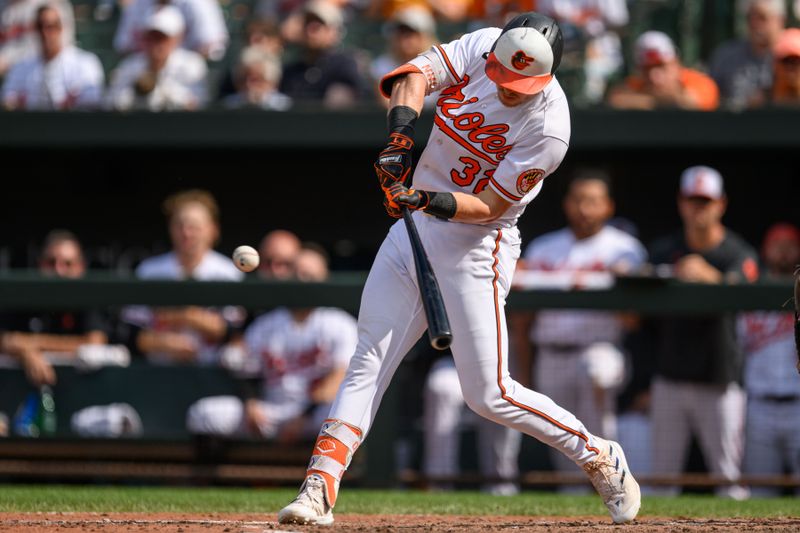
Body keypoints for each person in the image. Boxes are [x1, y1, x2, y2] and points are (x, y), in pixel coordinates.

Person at [278, 12, 640, 526]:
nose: (509, 90)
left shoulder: (550, 127)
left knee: (488, 394)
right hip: (413, 232)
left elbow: (490, 205)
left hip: (478, 243)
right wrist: (400, 139)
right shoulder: (482, 46)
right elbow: (413, 78)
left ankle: (598, 454)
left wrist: (423, 196)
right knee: (369, 357)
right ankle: (319, 486)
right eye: (503, 76)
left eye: (521, 84)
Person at [514, 170, 647, 482]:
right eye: (578, 200)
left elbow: (635, 320)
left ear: (608, 206)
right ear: (566, 204)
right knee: (561, 441)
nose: (584, 208)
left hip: (600, 349)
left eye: (593, 201)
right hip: (551, 352)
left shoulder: (625, 248)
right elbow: (523, 319)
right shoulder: (543, 247)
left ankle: (614, 483)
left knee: (595, 372)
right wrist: (526, 371)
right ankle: (572, 502)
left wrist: (621, 284)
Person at [648, 166, 758, 499]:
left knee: (727, 478)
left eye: (706, 200)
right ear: (681, 203)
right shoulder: (665, 250)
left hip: (719, 378)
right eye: (693, 200)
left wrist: (705, 274)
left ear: (720, 204)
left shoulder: (737, 253)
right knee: (661, 482)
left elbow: (746, 294)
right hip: (671, 375)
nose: (699, 207)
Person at [186, 246, 358, 442]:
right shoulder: (266, 323)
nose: (301, 281)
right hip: (270, 414)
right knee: (202, 414)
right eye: (296, 273)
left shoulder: (340, 323)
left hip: (315, 416)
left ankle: (333, 471)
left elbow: (338, 379)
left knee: (344, 418)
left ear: (324, 279)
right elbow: (243, 369)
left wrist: (303, 417)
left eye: (308, 275)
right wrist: (250, 402)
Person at [121, 189, 244, 365]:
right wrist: (165, 343)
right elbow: (131, 333)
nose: (187, 233)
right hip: (159, 371)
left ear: (212, 230)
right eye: (180, 225)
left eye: (194, 226)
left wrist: (186, 316)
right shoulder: (150, 271)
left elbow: (234, 333)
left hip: (213, 372)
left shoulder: (228, 273)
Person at [737, 223, 800, 496]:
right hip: (759, 405)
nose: (784, 251)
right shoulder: (750, 292)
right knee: (760, 492)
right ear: (765, 250)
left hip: (798, 403)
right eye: (777, 244)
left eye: (791, 244)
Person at [0, 230, 110, 386]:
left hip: (85, 388)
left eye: (68, 264)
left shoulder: (88, 297)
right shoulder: (24, 295)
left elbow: (94, 342)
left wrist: (30, 344)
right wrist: (24, 351)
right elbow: (5, 338)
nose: (59, 270)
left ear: (81, 267)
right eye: (51, 263)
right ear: (40, 264)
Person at [1, 3, 103, 110]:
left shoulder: (85, 62)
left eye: (51, 26)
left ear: (61, 28)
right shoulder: (22, 66)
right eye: (40, 27)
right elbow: (7, 100)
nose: (45, 33)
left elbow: (92, 100)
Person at [106, 5, 209, 111]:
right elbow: (111, 103)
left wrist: (163, 91)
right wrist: (135, 93)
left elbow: (197, 103)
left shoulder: (192, 65)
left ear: (176, 38)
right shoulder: (129, 66)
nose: (156, 44)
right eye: (151, 37)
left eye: (162, 38)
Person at [536, 0, 629, 103]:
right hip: (559, 47)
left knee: (591, 86)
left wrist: (590, 39)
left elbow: (619, 23)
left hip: (600, 49)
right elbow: (542, 22)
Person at [278, 0, 366, 109]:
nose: (310, 30)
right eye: (307, 24)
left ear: (334, 32)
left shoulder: (344, 65)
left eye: (317, 26)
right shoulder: (291, 71)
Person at [607, 31, 719, 111]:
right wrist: (662, 102)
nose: (654, 76)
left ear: (675, 64)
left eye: (661, 66)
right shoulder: (637, 82)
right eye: (647, 68)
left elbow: (689, 103)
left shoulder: (700, 81)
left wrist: (645, 101)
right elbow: (616, 100)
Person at [709, 0, 786, 110]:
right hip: (736, 125)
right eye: (750, 17)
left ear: (780, 20)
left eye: (762, 18)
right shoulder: (726, 55)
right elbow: (710, 97)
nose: (755, 24)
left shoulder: (793, 54)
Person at [113, 0, 228, 61]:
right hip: (144, 69)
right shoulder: (137, 4)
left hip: (187, 75)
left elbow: (212, 50)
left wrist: (174, 64)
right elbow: (124, 47)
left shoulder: (200, 3)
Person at [370, 7, 438, 107]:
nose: (405, 38)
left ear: (425, 36)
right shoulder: (382, 65)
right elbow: (387, 105)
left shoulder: (440, 62)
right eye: (400, 33)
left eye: (411, 33)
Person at [0, 0, 74, 77]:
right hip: (14, 74)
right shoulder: (3, 6)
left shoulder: (50, 5)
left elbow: (57, 49)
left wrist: (8, 62)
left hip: (46, 71)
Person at [222, 46, 292, 111]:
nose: (248, 85)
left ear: (271, 81)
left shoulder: (285, 107)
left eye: (255, 80)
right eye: (242, 80)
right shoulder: (228, 106)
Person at [768, 28, 800, 107]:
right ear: (775, 64)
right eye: (786, 61)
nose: (791, 67)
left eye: (797, 61)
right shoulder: (758, 103)